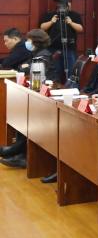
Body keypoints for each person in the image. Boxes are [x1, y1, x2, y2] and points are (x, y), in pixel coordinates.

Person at [0, 29, 57, 169]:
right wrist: (24, 67)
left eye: (29, 40)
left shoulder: (43, 55)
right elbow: (22, 67)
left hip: (46, 95)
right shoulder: (36, 53)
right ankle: (19, 153)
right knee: (23, 115)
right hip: (36, 92)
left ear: (36, 41)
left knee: (28, 118)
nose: (27, 43)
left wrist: (24, 67)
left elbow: (28, 69)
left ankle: (20, 153)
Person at [39, 0, 84, 82]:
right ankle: (56, 86)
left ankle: (71, 86)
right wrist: (51, 21)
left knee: (71, 71)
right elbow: (42, 27)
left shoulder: (74, 15)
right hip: (53, 48)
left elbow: (80, 29)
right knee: (55, 71)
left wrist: (71, 23)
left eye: (68, 4)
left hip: (69, 48)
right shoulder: (50, 15)